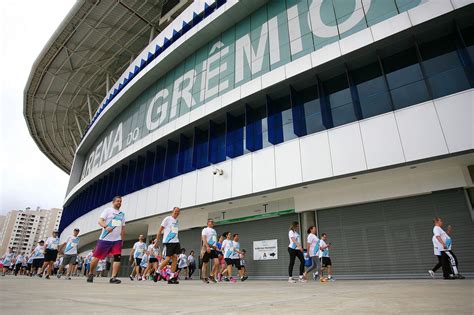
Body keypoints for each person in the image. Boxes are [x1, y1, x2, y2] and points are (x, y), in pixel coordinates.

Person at [87, 196, 126, 284]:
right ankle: (91, 273)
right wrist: (106, 226)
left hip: (117, 240)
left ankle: (113, 278)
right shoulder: (108, 210)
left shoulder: (122, 214)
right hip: (105, 239)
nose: (119, 203)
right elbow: (100, 221)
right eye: (117, 201)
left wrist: (122, 240)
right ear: (113, 202)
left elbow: (123, 228)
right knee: (96, 257)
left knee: (117, 258)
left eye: (120, 201)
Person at [156, 207, 181, 284]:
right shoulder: (167, 218)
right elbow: (160, 229)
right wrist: (157, 240)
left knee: (175, 259)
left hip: (176, 241)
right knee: (167, 259)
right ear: (172, 211)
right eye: (175, 211)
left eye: (178, 211)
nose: (177, 212)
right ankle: (157, 272)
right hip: (168, 241)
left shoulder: (177, 221)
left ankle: (171, 277)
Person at [201, 218, 220, 283]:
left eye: (213, 222)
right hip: (207, 248)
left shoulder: (214, 231)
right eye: (210, 222)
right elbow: (204, 239)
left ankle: (211, 275)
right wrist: (207, 247)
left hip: (214, 249)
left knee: (217, 263)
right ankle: (204, 277)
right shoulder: (205, 229)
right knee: (205, 263)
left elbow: (215, 240)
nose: (212, 223)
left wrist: (216, 247)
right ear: (207, 223)